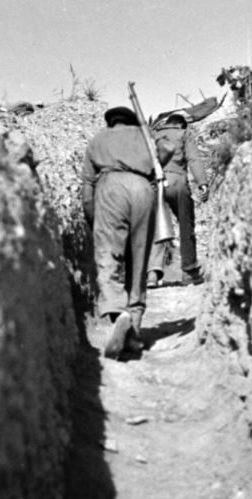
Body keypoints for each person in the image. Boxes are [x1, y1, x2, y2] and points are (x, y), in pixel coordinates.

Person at [81, 106, 174, 359]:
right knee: (139, 258)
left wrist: (93, 217)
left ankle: (116, 310)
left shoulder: (98, 140)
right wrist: (154, 159)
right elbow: (168, 149)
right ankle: (133, 325)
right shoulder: (143, 135)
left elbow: (88, 186)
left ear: (111, 123)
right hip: (144, 188)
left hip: (111, 189)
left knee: (108, 257)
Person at [146, 112, 208, 288]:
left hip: (154, 184)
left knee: (156, 227)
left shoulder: (153, 134)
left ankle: (152, 273)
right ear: (181, 125)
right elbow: (193, 159)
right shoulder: (184, 134)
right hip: (177, 183)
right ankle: (189, 272)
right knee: (186, 225)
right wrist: (202, 183)